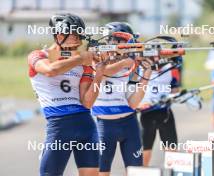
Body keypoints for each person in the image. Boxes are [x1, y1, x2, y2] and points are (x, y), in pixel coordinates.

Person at [28, 13, 106, 176]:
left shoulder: (82, 63)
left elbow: (87, 103)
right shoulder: (38, 55)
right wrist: (81, 58)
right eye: (75, 35)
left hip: (86, 125)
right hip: (58, 126)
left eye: (80, 36)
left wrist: (99, 73)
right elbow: (51, 70)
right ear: (59, 34)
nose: (79, 40)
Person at [91, 22, 153, 176]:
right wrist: (126, 62)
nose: (123, 46)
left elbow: (133, 103)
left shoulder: (131, 66)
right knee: (102, 173)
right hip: (103, 126)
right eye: (120, 41)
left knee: (135, 172)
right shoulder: (96, 58)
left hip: (129, 124)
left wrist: (146, 75)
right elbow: (104, 73)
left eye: (127, 42)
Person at [137, 36, 182, 166]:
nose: (156, 59)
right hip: (147, 115)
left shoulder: (170, 68)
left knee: (172, 154)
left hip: (165, 114)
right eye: (152, 56)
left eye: (158, 55)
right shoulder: (140, 69)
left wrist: (175, 95)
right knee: (144, 154)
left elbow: (175, 90)